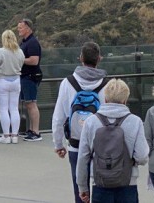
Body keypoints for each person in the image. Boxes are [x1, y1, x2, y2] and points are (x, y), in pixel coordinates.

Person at [76, 78, 149, 203]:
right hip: (127, 183)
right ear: (125, 100)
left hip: (100, 183)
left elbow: (83, 157)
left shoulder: (91, 122)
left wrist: (83, 187)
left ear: (105, 99)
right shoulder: (135, 121)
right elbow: (142, 157)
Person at [52, 42, 108, 203]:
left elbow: (58, 116)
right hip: (101, 144)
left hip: (76, 142)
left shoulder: (67, 83)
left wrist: (58, 144)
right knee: (102, 185)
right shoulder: (108, 84)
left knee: (79, 186)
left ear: (81, 58)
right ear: (99, 59)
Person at [0, 29, 25, 144]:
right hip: (16, 80)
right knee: (14, 109)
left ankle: (6, 136)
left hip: (2, 80)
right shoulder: (20, 52)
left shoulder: (1, 51)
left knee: (4, 109)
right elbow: (21, 64)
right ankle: (15, 136)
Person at [18, 19, 43, 141]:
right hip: (24, 76)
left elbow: (34, 60)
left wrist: (19, 59)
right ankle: (32, 129)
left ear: (28, 28)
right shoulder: (24, 42)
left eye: (21, 28)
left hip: (30, 77)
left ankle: (36, 132)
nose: (19, 30)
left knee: (32, 103)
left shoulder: (32, 43)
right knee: (28, 104)